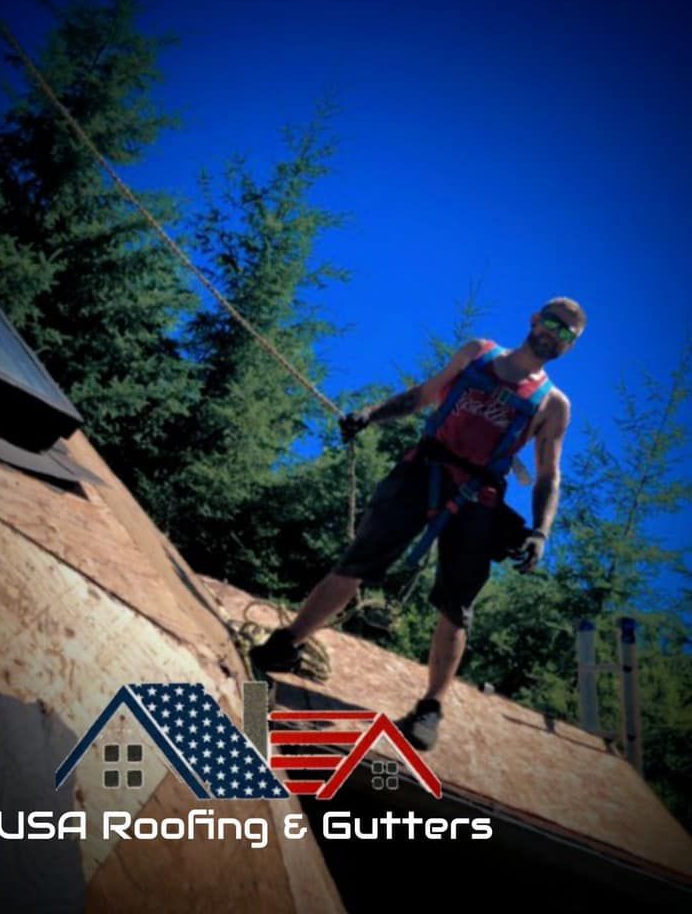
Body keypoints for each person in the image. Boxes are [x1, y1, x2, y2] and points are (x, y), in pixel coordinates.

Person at [250, 297, 586, 751]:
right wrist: (370, 415)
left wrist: (540, 531)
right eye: (552, 324)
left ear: (571, 344)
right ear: (533, 320)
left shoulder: (552, 405)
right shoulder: (478, 353)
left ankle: (430, 707)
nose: (555, 335)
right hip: (423, 470)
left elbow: (548, 474)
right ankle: (287, 644)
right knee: (357, 563)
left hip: (478, 498)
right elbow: (423, 396)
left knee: (456, 606)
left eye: (567, 334)